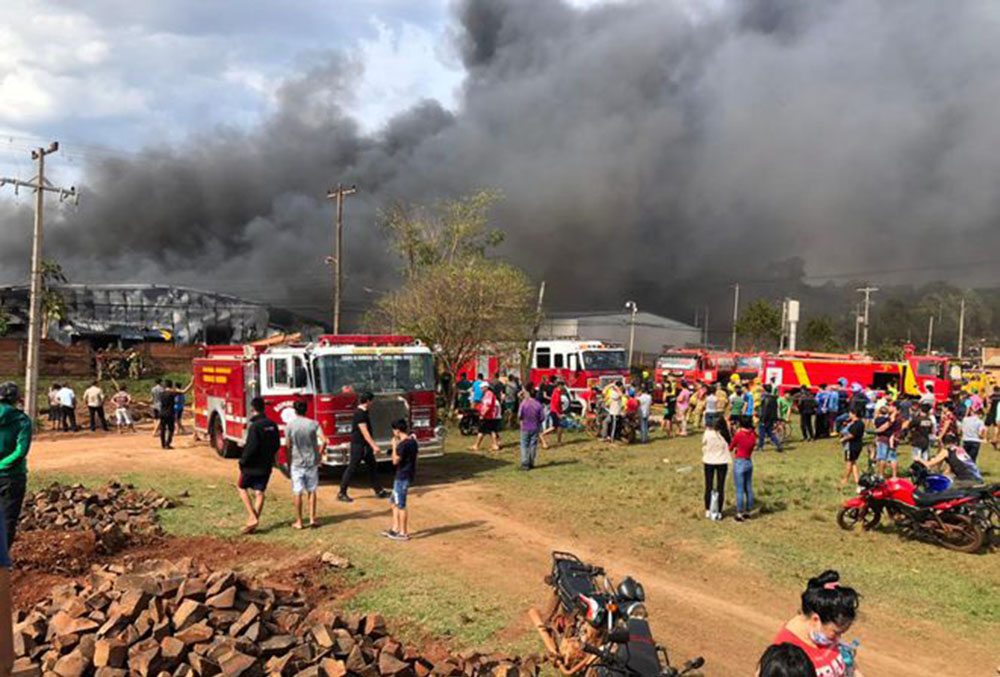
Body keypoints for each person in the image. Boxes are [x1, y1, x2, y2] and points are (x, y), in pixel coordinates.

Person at [773, 570, 863, 677]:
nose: (839, 638)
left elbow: (852, 669)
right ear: (816, 620)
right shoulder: (785, 655)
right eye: (836, 632)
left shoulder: (824, 634)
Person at [237, 397, 280, 534]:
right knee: (259, 492)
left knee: (241, 488)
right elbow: (277, 444)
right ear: (264, 408)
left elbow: (251, 447)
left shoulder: (255, 426)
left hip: (251, 465)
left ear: (252, 408)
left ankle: (252, 516)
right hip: (266, 464)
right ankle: (253, 523)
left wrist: (243, 461)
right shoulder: (272, 424)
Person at [339, 391, 390, 502]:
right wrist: (374, 446)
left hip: (365, 446)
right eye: (372, 401)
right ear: (367, 401)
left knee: (373, 467)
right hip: (359, 446)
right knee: (352, 468)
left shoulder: (364, 412)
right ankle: (342, 492)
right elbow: (364, 432)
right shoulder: (360, 414)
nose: (372, 403)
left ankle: (379, 490)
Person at [286, 400, 326, 529]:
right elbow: (324, 440)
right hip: (311, 462)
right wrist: (319, 454)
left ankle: (299, 521)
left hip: (297, 462)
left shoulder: (290, 425)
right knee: (312, 490)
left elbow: (288, 445)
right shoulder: (313, 424)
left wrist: (288, 461)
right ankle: (312, 519)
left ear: (295, 410)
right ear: (306, 409)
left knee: (297, 491)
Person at [0, 383, 30, 547]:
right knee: (7, 520)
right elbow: (21, 451)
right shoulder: (22, 420)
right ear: (17, 399)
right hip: (12, 477)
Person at [385, 418, 418, 541]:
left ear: (397, 431)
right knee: (393, 501)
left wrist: (394, 447)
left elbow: (395, 461)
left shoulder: (402, 445)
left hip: (402, 476)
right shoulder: (412, 442)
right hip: (407, 474)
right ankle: (395, 528)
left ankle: (403, 532)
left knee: (401, 505)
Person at [702, 416, 731, 521]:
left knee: (708, 485)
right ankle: (719, 511)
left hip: (709, 460)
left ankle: (708, 509)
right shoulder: (725, 434)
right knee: (720, 487)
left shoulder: (708, 433)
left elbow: (704, 444)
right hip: (722, 461)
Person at [729, 417, 757, 522]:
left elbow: (730, 447)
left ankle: (739, 512)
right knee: (748, 487)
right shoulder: (753, 435)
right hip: (749, 461)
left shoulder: (739, 435)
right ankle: (748, 510)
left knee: (739, 489)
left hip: (739, 461)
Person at [518, 385, 546, 470]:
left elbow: (519, 415)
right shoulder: (538, 405)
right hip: (535, 427)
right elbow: (542, 418)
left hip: (525, 427)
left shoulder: (524, 403)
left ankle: (525, 462)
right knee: (533, 445)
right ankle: (531, 462)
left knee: (524, 445)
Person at [470, 382, 502, 451]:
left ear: (486, 387)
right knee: (492, 431)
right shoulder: (487, 394)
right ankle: (495, 445)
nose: (481, 389)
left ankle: (476, 445)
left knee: (482, 431)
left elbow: (488, 406)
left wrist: (482, 414)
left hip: (488, 416)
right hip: (490, 416)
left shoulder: (488, 394)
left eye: (482, 387)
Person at [839, 410, 865, 487]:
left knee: (849, 462)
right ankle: (857, 479)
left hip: (851, 445)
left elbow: (852, 435)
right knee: (853, 462)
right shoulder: (858, 423)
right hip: (857, 445)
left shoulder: (857, 424)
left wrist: (843, 439)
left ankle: (845, 479)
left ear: (854, 414)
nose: (849, 415)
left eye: (850, 413)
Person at [758, 385, 784, 453]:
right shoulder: (774, 398)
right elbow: (775, 409)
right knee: (770, 433)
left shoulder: (765, 398)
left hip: (765, 418)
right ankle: (778, 444)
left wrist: (762, 418)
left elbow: (764, 410)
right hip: (771, 418)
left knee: (762, 433)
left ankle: (760, 446)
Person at [541, 379, 565, 448]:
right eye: (563, 386)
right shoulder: (556, 393)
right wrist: (558, 414)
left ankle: (559, 441)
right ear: (559, 386)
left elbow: (558, 404)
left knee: (560, 427)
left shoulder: (558, 392)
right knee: (554, 427)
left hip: (557, 412)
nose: (564, 387)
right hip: (554, 412)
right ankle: (542, 434)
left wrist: (561, 410)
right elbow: (554, 405)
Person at [158, 380, 177, 449]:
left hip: (162, 413)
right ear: (171, 385)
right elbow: (184, 391)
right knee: (171, 429)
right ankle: (168, 443)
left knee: (162, 429)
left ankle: (163, 444)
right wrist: (191, 383)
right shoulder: (172, 393)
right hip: (170, 413)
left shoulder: (161, 394)